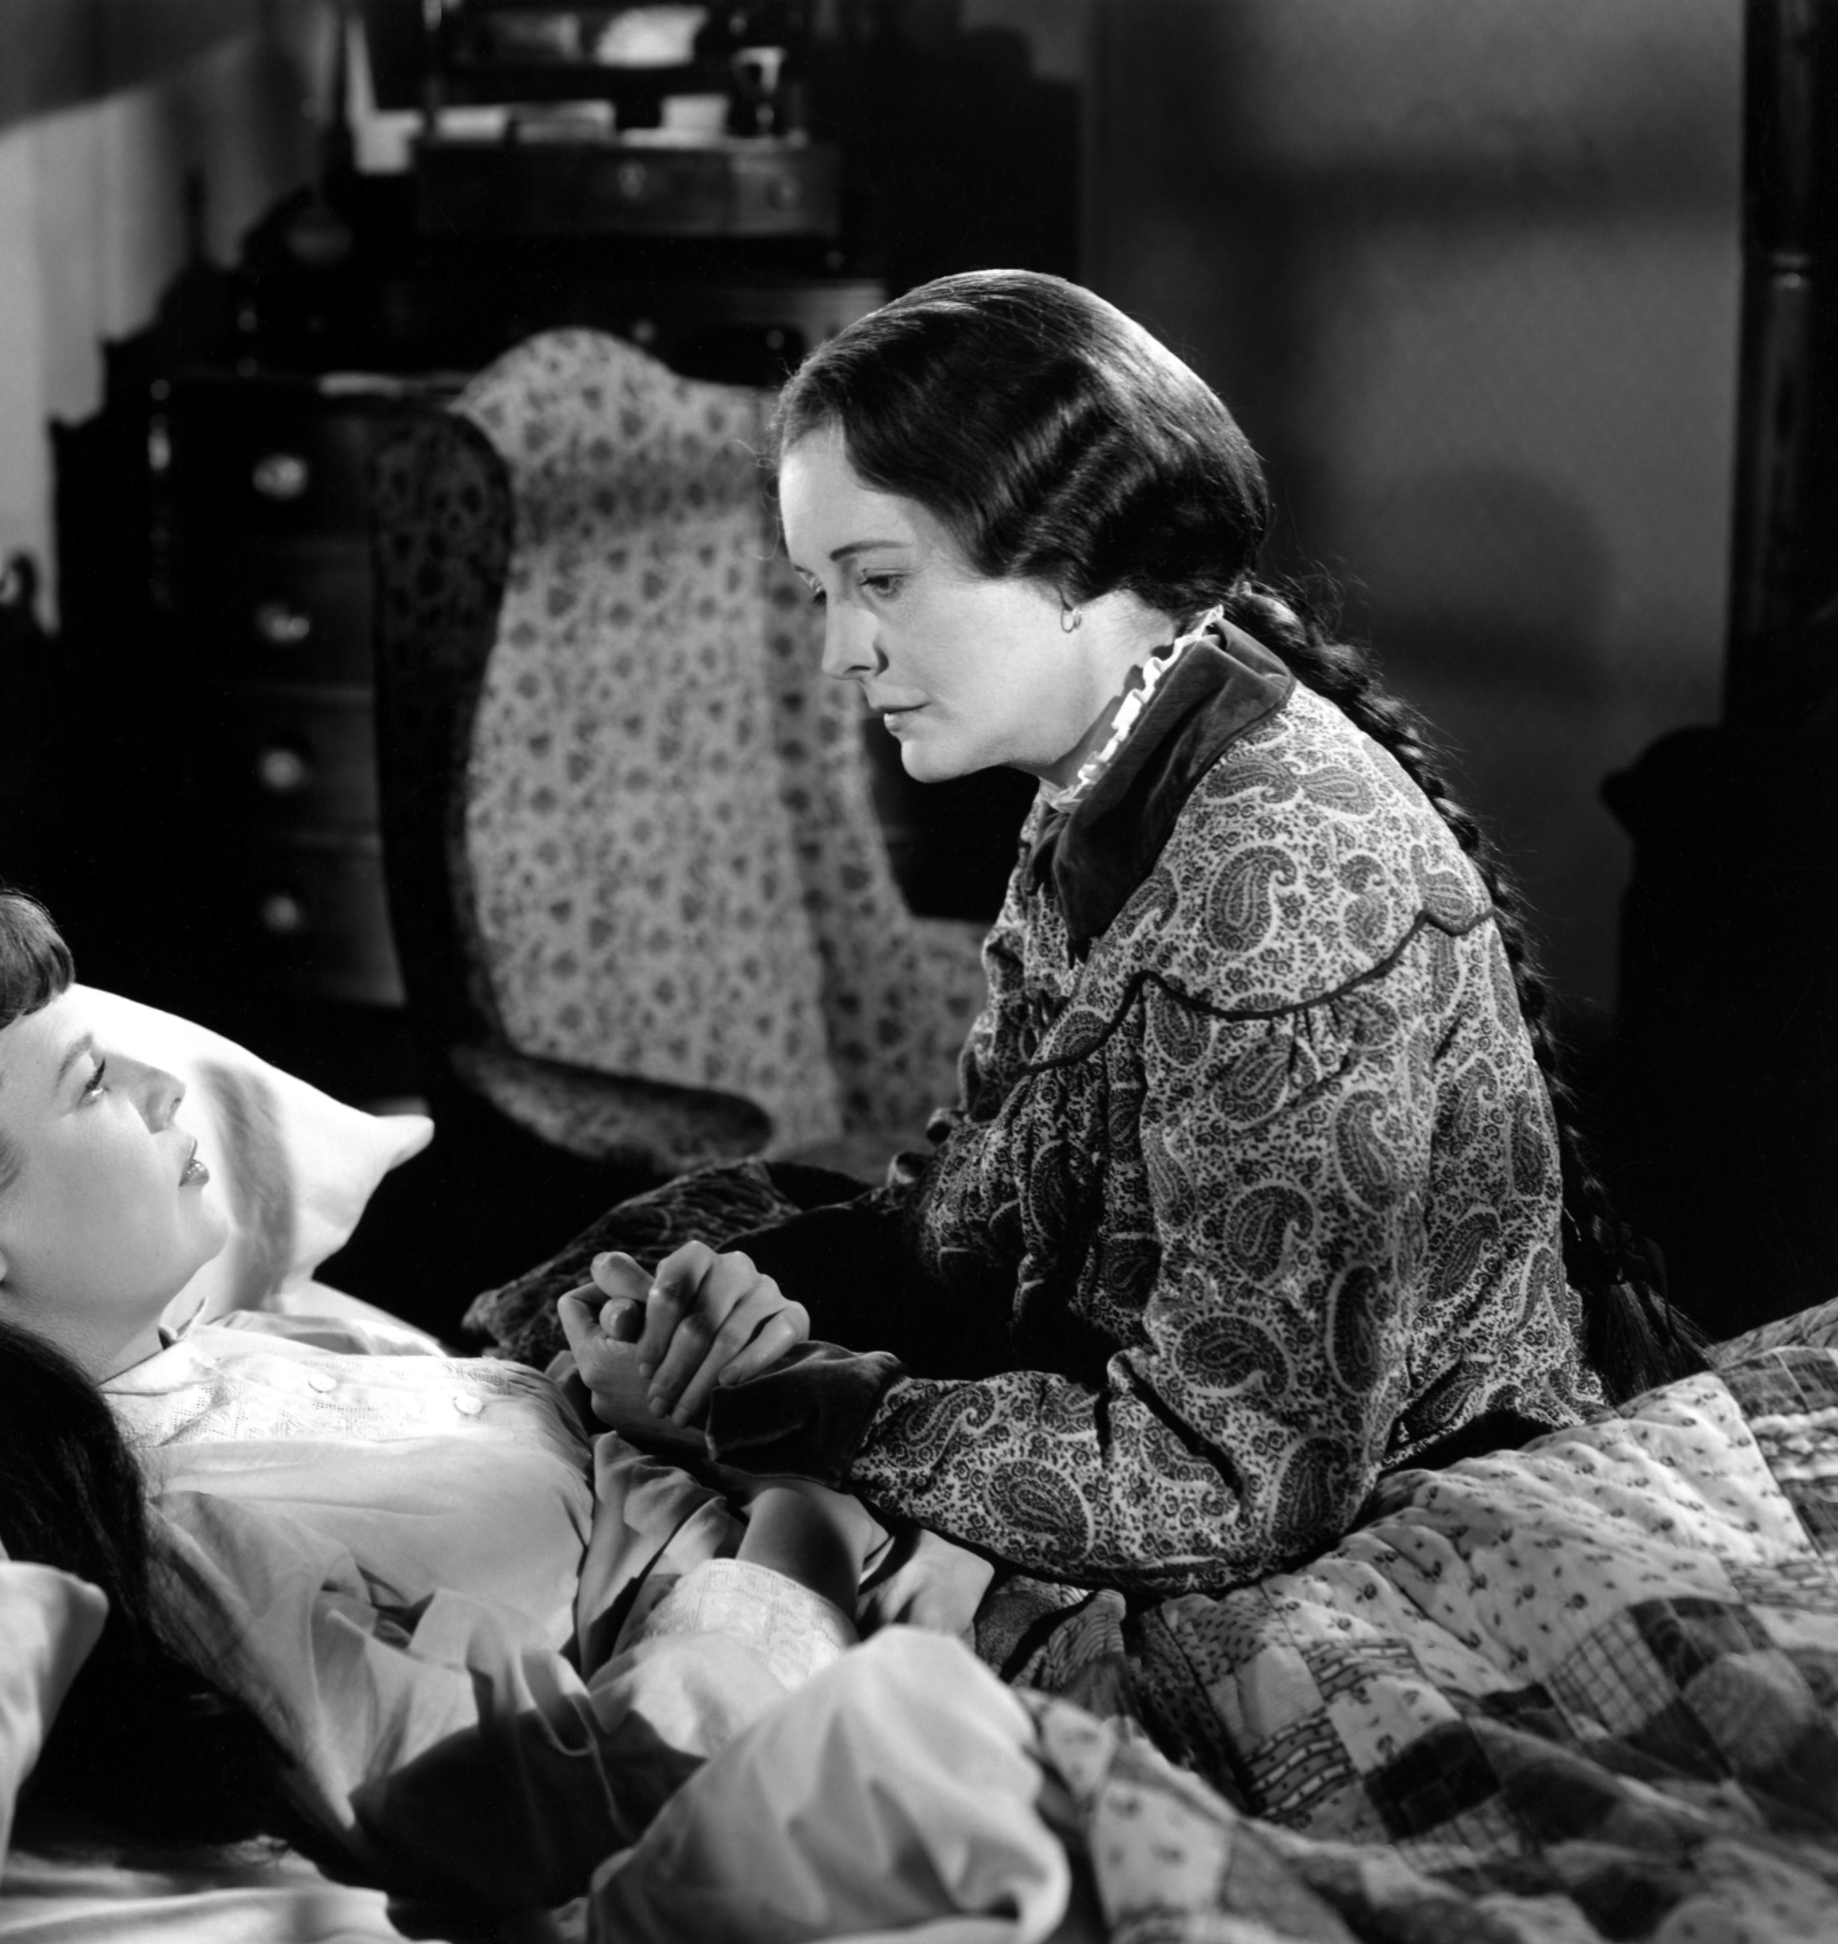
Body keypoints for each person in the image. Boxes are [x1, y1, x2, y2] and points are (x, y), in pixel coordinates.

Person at [522, 269, 1709, 1624]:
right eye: (818, 591)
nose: (840, 652)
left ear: (1074, 557)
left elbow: (1238, 1480)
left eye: (880, 581)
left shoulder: (1282, 881)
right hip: (1156, 1451)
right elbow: (973, 1208)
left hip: (1363, 1536)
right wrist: (747, 1315)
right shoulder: (1104, 779)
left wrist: (796, 1407)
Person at [0, 888, 991, 1911]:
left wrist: (638, 1401)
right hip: (913, 1638)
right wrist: (793, 1504)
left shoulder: (244, 1345)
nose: (167, 1089)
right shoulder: (193, 1549)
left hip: (909, 1519)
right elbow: (591, 1813)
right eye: (94, 1087)